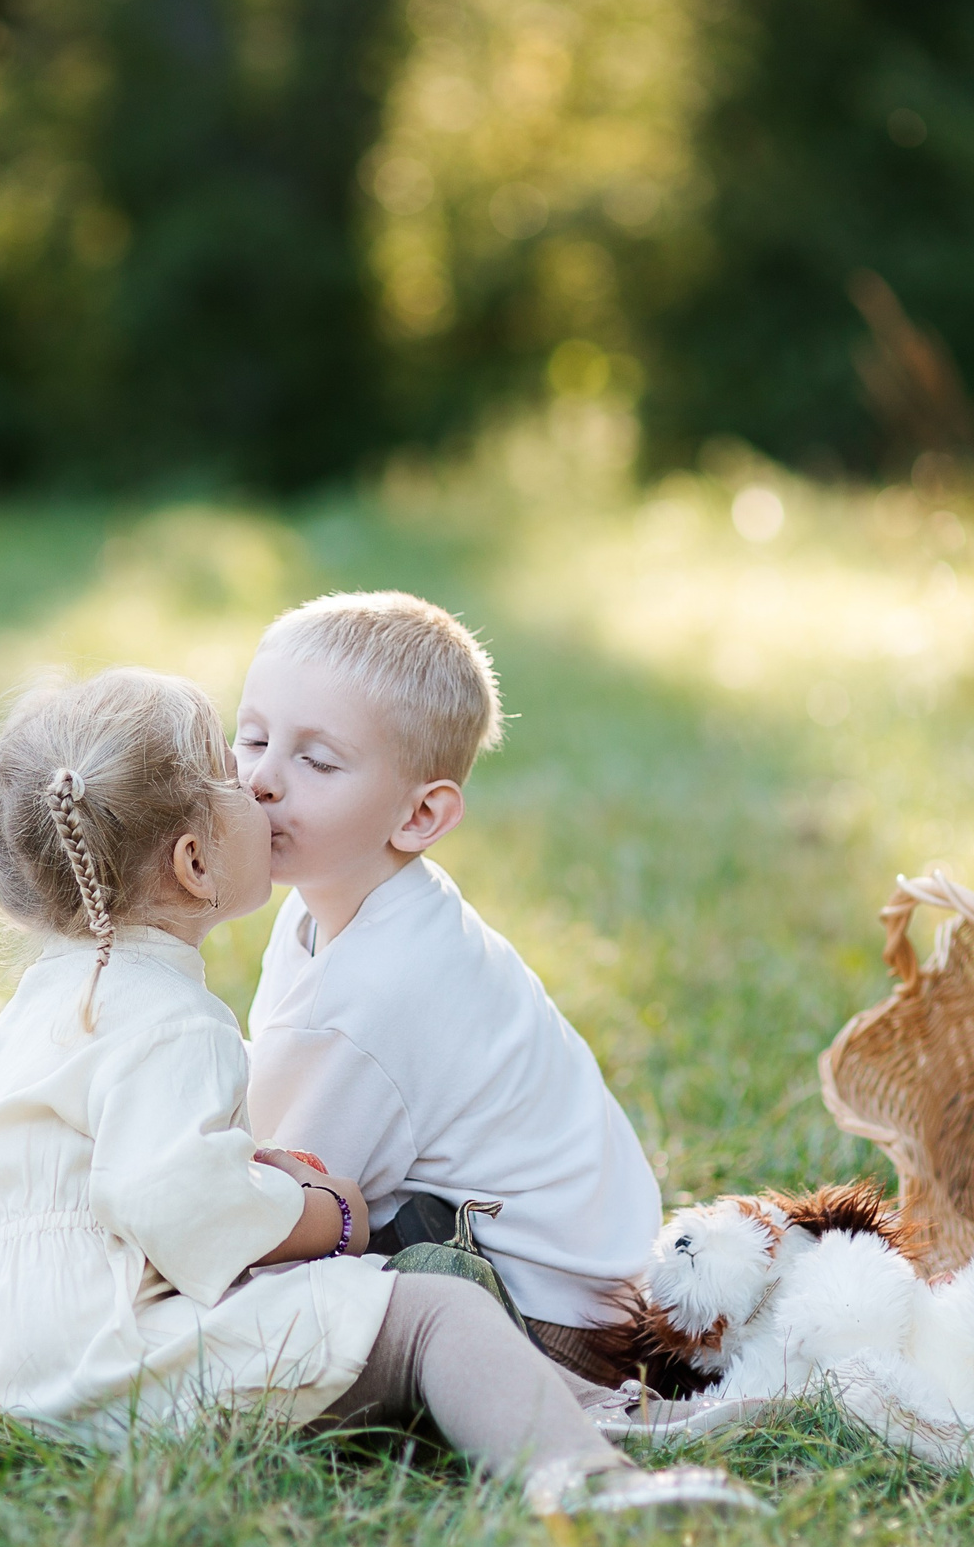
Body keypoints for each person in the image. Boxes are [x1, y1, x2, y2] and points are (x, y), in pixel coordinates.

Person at [0, 667, 750, 1515]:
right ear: (196, 862)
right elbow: (176, 1199)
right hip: (117, 1373)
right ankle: (587, 1476)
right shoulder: (172, 1021)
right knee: (435, 1314)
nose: (258, 783)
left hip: (10, 1360)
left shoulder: (34, 1013)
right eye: (230, 770)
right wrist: (332, 1215)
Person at [236, 593, 663, 1386]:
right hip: (576, 1276)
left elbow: (272, 1205)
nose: (261, 778)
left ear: (420, 813)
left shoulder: (379, 988)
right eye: (253, 737)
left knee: (255, 1310)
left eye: (316, 761)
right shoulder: (337, 901)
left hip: (546, 1319)